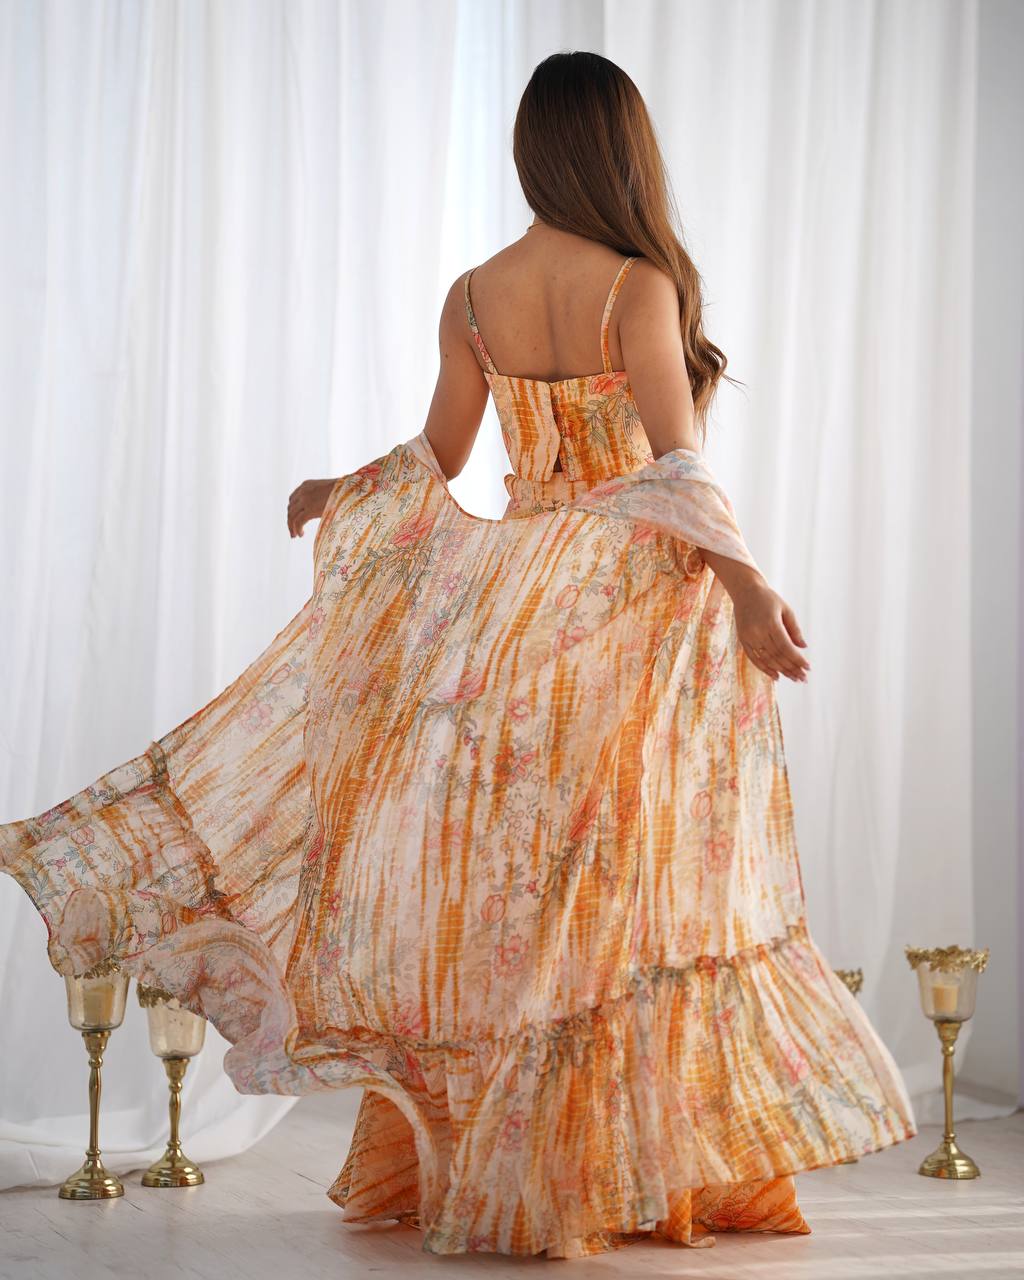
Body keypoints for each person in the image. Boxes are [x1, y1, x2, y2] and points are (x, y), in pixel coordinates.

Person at [0, 50, 914, 1259]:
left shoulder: (477, 293)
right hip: (631, 609)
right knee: (627, 892)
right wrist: (748, 587)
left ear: (534, 151)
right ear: (622, 152)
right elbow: (674, 467)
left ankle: (518, 1166)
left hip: (522, 615)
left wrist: (341, 488)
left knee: (531, 895)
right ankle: (626, 1175)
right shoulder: (637, 283)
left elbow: (437, 456)